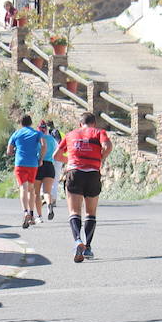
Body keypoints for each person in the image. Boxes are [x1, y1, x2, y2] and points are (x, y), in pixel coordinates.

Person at [54, 111, 112, 263]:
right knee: (91, 213)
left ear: (80, 124)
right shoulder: (99, 132)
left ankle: (77, 240)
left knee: (74, 211)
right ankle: (88, 246)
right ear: (94, 124)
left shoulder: (70, 134)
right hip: (92, 174)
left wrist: (70, 160)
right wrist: (100, 158)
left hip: (74, 173)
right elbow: (108, 146)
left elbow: (56, 155)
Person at [6, 115, 46, 229]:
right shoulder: (37, 133)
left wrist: (16, 150)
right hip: (33, 164)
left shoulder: (16, 134)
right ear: (31, 123)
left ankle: (25, 212)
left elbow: (9, 151)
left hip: (20, 163)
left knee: (23, 188)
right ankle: (32, 214)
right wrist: (41, 158)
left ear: (21, 123)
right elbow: (44, 145)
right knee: (31, 189)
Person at [37, 120, 62, 221]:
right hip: (50, 166)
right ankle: (49, 205)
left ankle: (39, 216)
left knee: (36, 192)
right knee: (47, 191)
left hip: (39, 164)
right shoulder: (52, 140)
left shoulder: (37, 139)